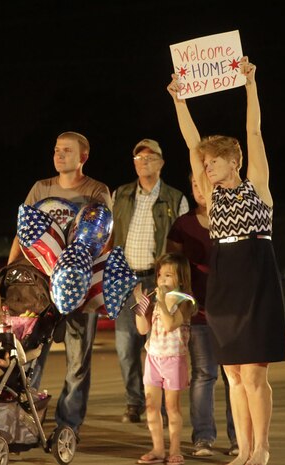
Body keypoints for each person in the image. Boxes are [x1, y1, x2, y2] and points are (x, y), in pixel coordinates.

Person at [168, 57, 285, 465]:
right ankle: (245, 451)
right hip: (223, 281)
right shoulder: (211, 194)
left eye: (213, 161)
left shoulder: (258, 187)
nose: (207, 167)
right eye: (204, 164)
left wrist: (251, 85)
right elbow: (190, 142)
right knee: (233, 374)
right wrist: (180, 101)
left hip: (255, 276)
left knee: (255, 373)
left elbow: (254, 130)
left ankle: (261, 447)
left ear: (232, 161)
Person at [7, 131, 112, 436]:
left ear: (83, 156)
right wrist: (11, 269)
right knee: (30, 354)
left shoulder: (96, 190)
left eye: (67, 150)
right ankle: (28, 418)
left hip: (79, 286)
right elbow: (22, 232)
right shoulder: (41, 189)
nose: (59, 155)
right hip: (39, 286)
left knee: (77, 359)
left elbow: (104, 236)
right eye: (56, 149)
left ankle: (68, 425)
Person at [111, 138, 188, 423]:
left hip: (158, 280)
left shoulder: (175, 198)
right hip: (126, 278)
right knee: (125, 345)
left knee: (161, 345)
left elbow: (180, 244)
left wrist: (172, 282)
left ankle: (166, 406)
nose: (145, 162)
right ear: (134, 163)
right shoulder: (120, 194)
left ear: (162, 162)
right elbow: (108, 235)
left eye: (151, 157)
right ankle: (134, 402)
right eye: (139, 158)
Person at [166, 174, 237, 457]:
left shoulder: (233, 219)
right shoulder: (183, 225)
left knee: (235, 377)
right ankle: (203, 438)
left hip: (232, 312)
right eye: (194, 185)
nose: (199, 190)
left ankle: (239, 437)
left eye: (204, 184)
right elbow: (173, 270)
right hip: (199, 313)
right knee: (204, 375)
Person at [132, 253, 194, 465]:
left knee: (172, 408)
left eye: (168, 275)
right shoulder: (156, 302)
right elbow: (142, 329)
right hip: (153, 358)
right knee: (151, 406)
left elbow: (170, 325)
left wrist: (162, 302)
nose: (161, 280)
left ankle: (175, 449)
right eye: (159, 275)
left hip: (174, 360)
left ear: (181, 279)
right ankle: (158, 448)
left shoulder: (185, 301)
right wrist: (140, 305)